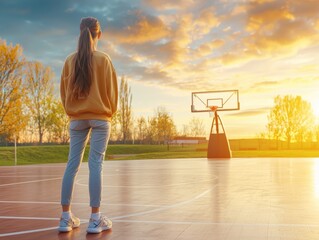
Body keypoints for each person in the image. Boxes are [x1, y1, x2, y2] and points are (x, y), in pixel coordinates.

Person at [58, 17, 118, 234]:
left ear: (80, 32)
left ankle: (65, 218)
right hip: (101, 117)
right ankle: (94, 219)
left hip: (76, 118)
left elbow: (64, 94)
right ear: (98, 34)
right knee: (96, 165)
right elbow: (113, 93)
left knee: (71, 166)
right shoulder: (104, 59)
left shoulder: (69, 61)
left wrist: (73, 112)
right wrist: (108, 112)